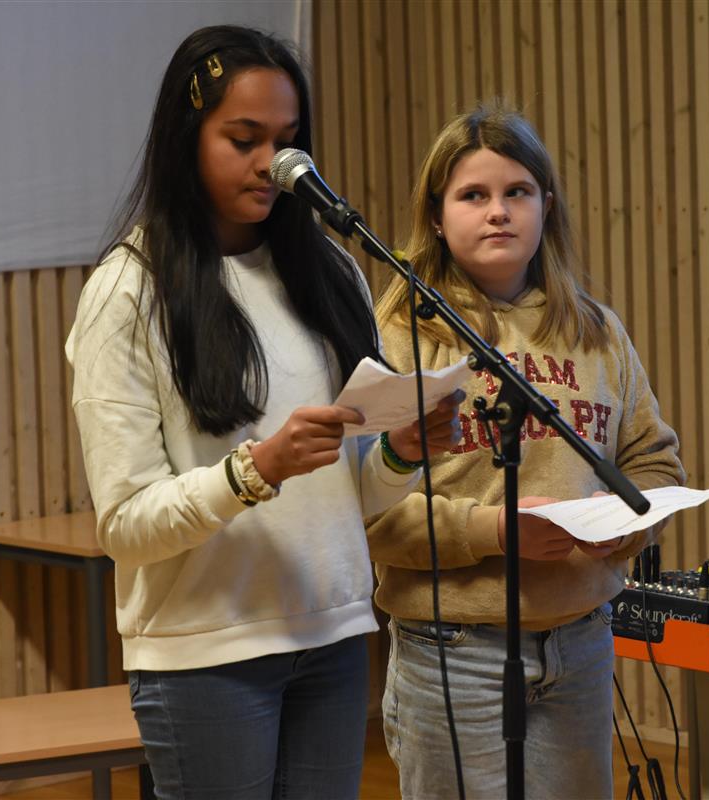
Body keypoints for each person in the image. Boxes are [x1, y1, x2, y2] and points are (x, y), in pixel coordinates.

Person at [65, 25, 461, 800]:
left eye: (287, 140)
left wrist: (402, 454)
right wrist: (255, 472)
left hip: (335, 632)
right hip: (205, 651)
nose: (273, 164)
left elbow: (351, 498)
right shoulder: (127, 292)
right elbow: (125, 526)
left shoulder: (332, 272)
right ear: (187, 140)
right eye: (243, 139)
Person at [367, 104, 686, 799]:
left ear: (546, 205)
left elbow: (655, 463)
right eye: (473, 196)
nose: (498, 212)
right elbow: (368, 513)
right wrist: (493, 532)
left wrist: (631, 521)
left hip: (580, 640)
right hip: (453, 650)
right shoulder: (396, 337)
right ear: (437, 212)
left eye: (517, 193)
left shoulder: (594, 330)